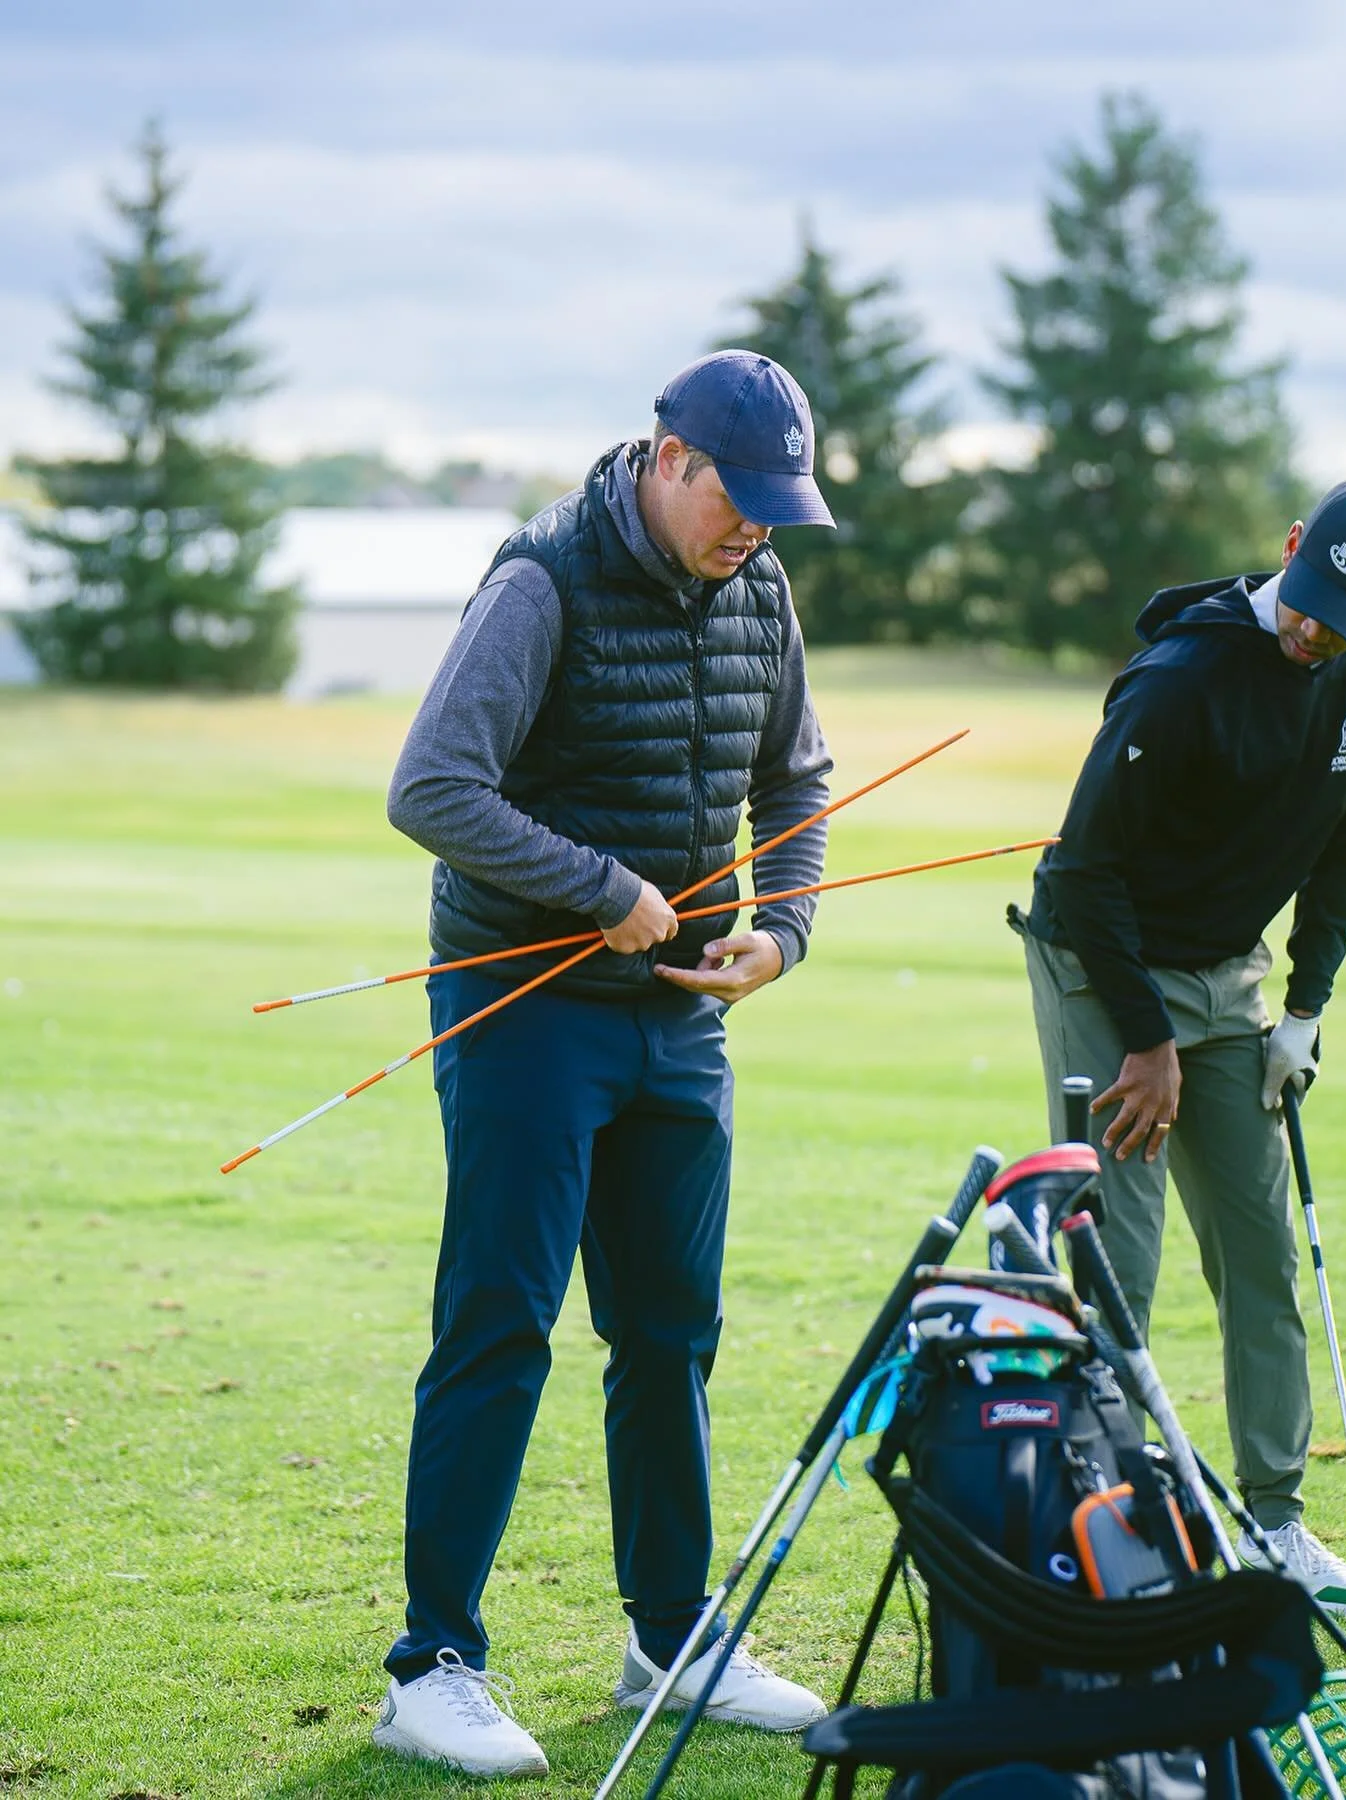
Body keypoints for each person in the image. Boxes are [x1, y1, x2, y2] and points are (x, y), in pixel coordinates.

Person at [373, 350, 837, 1778]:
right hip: (527, 998)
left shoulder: (759, 587)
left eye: (779, 507)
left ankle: (673, 1633)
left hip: (679, 1015)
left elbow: (798, 778)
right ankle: (432, 1666)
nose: (757, 528)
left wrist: (790, 931)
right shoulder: (542, 582)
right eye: (740, 500)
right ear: (672, 458)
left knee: (670, 1332)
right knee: (501, 1319)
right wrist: (598, 887)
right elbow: (431, 787)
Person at [1011, 479, 1346, 1613]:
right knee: (1123, 1260)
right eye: (1305, 608)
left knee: (1260, 1250)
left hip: (1232, 976)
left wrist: (1305, 1009)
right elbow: (1083, 875)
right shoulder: (1179, 680)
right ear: (1291, 550)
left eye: (1340, 627)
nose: (1311, 638)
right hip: (1107, 971)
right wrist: (1147, 1043)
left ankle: (1275, 1521)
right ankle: (1110, 1531)